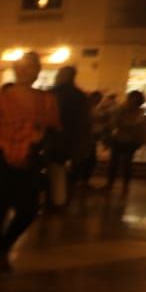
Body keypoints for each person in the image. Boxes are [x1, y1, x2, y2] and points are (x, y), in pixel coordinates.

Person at [0, 52, 60, 278]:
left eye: (31, 67)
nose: (26, 71)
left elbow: (55, 130)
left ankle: (3, 247)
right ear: (15, 69)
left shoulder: (47, 100)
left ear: (38, 71)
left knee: (28, 209)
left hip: (30, 158)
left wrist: (43, 137)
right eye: (21, 66)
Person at [52, 66, 94, 197]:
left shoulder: (55, 94)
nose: (57, 76)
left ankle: (55, 200)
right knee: (68, 173)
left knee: (54, 172)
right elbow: (85, 121)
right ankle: (63, 198)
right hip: (74, 142)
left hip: (55, 141)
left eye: (59, 74)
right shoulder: (80, 96)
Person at [105, 90, 146, 196]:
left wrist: (123, 124)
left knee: (124, 163)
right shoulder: (124, 109)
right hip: (122, 139)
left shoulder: (136, 111)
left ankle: (120, 185)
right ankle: (116, 185)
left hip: (128, 140)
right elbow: (117, 123)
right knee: (117, 163)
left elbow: (128, 124)